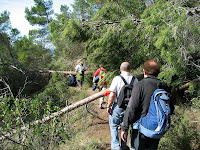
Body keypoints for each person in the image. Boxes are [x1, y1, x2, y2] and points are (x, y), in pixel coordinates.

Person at [121, 59, 174, 150]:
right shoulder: (164, 85)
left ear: (144, 71)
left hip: (141, 129)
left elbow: (132, 108)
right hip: (157, 128)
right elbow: (171, 109)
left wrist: (124, 127)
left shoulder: (140, 85)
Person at [106, 62, 138, 150]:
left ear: (120, 69)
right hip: (129, 108)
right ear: (130, 70)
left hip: (117, 106)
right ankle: (124, 146)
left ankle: (116, 147)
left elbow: (112, 94)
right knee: (125, 126)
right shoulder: (135, 80)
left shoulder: (117, 78)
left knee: (113, 126)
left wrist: (109, 106)